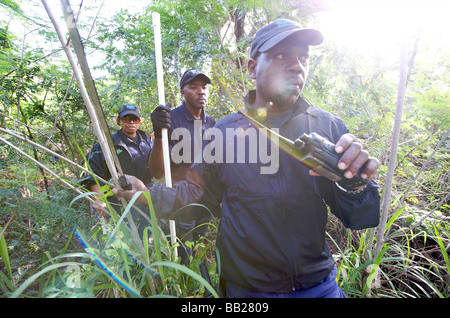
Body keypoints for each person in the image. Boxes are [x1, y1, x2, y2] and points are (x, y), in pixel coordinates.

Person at [113, 19, 381, 298]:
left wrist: (357, 185)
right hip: (247, 290)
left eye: (303, 58)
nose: (296, 65)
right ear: (252, 68)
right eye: (281, 55)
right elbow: (196, 197)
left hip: (316, 286)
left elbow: (360, 217)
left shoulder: (326, 127)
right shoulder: (224, 132)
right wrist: (148, 196)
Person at [149, 69, 216, 264]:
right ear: (182, 92)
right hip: (181, 198)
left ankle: (198, 286)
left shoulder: (210, 121)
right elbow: (157, 172)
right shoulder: (170, 120)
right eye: (193, 87)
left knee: (199, 245)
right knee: (181, 251)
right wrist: (159, 133)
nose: (201, 91)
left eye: (203, 87)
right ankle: (180, 285)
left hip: (206, 198)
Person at [82, 104, 154, 228]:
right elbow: (92, 173)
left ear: (140, 121)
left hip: (146, 196)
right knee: (126, 236)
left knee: (148, 231)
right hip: (121, 200)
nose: (131, 122)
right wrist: (99, 199)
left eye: (135, 119)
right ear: (119, 121)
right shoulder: (107, 144)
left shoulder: (147, 140)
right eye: (126, 118)